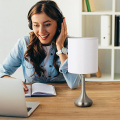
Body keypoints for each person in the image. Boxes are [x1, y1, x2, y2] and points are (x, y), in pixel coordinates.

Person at [0, 0, 81, 91]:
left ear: (59, 24)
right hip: (33, 99)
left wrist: (60, 47)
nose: (41, 31)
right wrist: (14, 82)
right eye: (36, 25)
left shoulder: (72, 43)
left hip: (64, 99)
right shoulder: (24, 43)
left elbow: (74, 84)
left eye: (47, 24)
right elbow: (1, 72)